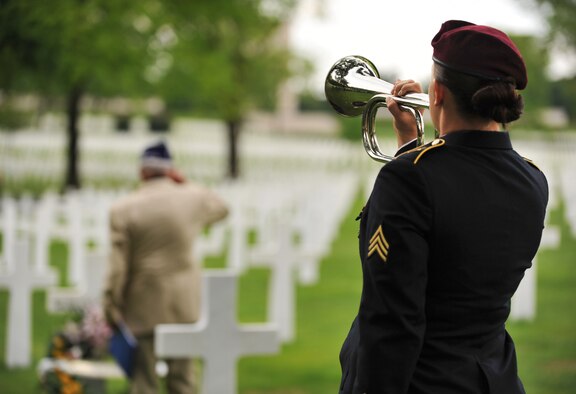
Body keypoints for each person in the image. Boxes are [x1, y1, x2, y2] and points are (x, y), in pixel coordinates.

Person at [339, 20, 549, 394]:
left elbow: (391, 323)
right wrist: (410, 145)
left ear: (436, 92)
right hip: (492, 380)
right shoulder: (533, 180)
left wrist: (410, 158)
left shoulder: (408, 179)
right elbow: (461, 191)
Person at [103, 140, 229, 394]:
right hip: (184, 303)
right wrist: (184, 182)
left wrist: (111, 305)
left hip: (143, 304)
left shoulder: (123, 209)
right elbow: (222, 208)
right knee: (183, 381)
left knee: (145, 382)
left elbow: (118, 268)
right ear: (170, 170)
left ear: (142, 171)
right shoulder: (192, 199)